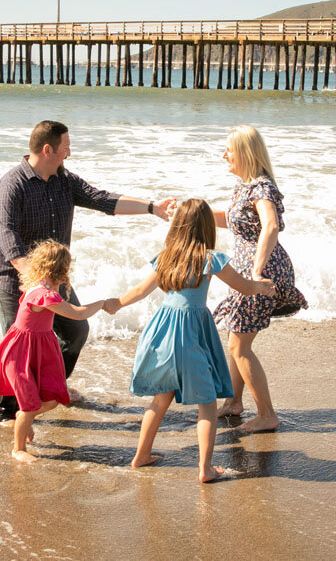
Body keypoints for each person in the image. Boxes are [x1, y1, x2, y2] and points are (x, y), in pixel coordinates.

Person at [0, 120, 176, 423]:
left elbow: (102, 199)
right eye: (65, 148)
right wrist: (35, 285)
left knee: (76, 331)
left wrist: (152, 207)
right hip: (13, 280)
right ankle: (8, 413)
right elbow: (9, 240)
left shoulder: (64, 180)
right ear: (48, 150)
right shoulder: (13, 185)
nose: (69, 154)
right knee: (18, 347)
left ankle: (50, 391)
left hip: (52, 279)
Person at [105, 199, 276, 482]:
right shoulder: (210, 259)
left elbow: (139, 291)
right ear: (206, 227)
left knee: (160, 399)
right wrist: (262, 287)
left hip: (162, 331)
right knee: (207, 403)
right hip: (192, 334)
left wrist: (116, 303)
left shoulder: (166, 258)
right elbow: (243, 287)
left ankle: (141, 455)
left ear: (178, 227)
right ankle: (205, 469)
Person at [212, 125, 308, 433]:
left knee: (240, 346)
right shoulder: (244, 186)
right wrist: (190, 213)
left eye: (229, 149)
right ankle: (233, 403)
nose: (224, 154)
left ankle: (267, 415)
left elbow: (271, 227)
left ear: (244, 153)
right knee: (236, 338)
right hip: (249, 273)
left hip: (263, 273)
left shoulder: (262, 188)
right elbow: (231, 221)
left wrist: (256, 271)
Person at [0, 240, 105, 463]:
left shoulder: (40, 287)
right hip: (21, 353)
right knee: (29, 404)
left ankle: (23, 418)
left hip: (37, 349)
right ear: (62, 269)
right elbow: (77, 313)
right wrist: (103, 303)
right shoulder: (42, 294)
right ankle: (18, 449)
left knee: (53, 399)